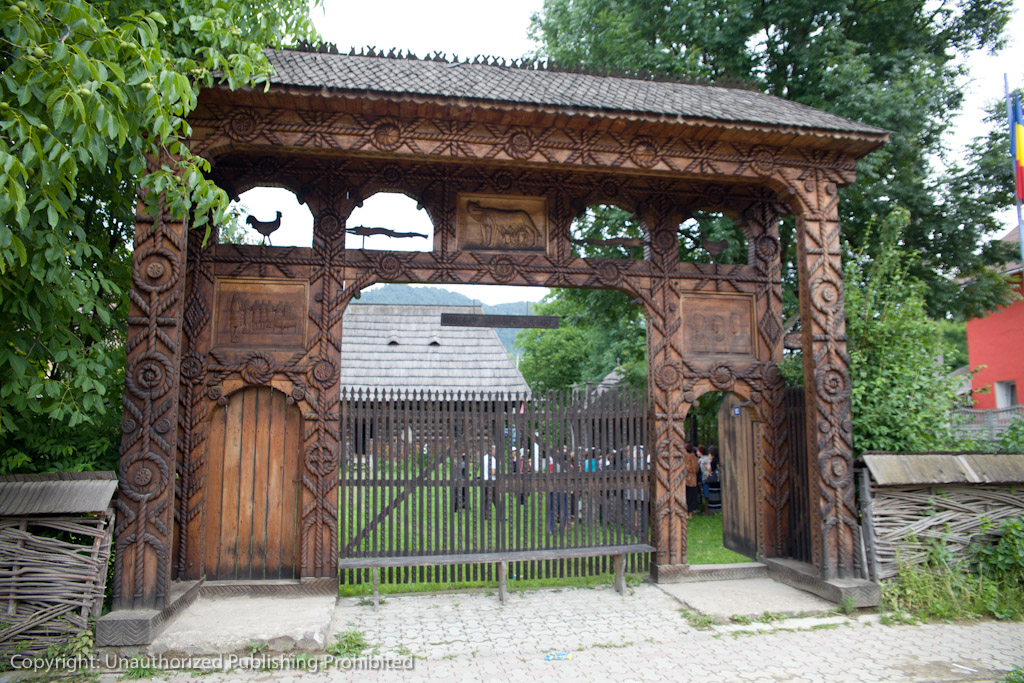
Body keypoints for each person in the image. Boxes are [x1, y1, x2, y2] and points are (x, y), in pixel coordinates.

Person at [684, 443, 700, 519]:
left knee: (687, 496)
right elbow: (697, 469)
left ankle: (686, 513)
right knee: (692, 496)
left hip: (686, 479)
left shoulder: (685, 457)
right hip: (693, 480)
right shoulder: (694, 457)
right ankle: (690, 513)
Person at [698, 446, 712, 512]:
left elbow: (708, 468)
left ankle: (707, 509)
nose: (697, 452)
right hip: (703, 477)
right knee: (704, 492)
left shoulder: (705, 459)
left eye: (698, 451)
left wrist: (703, 465)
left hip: (706, 477)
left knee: (706, 493)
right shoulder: (700, 459)